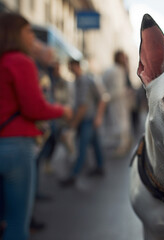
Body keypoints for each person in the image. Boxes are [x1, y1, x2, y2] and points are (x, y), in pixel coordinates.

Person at [0, 13, 72, 240]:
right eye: (28, 31)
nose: (32, 36)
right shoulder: (21, 61)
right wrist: (62, 111)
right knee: (17, 224)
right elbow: (35, 109)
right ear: (17, 33)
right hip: (16, 146)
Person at [60, 59, 106, 187]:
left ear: (76, 66)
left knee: (82, 148)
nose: (69, 69)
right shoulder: (78, 81)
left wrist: (74, 124)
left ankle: (73, 175)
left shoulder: (84, 81)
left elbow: (83, 106)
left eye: (70, 66)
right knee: (95, 144)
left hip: (87, 119)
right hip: (88, 118)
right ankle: (100, 167)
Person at [102, 50, 133, 156]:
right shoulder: (113, 70)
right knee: (119, 124)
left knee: (121, 123)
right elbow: (106, 85)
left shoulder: (121, 70)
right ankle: (121, 145)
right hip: (116, 102)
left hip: (120, 103)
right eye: (122, 57)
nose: (124, 59)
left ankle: (123, 145)